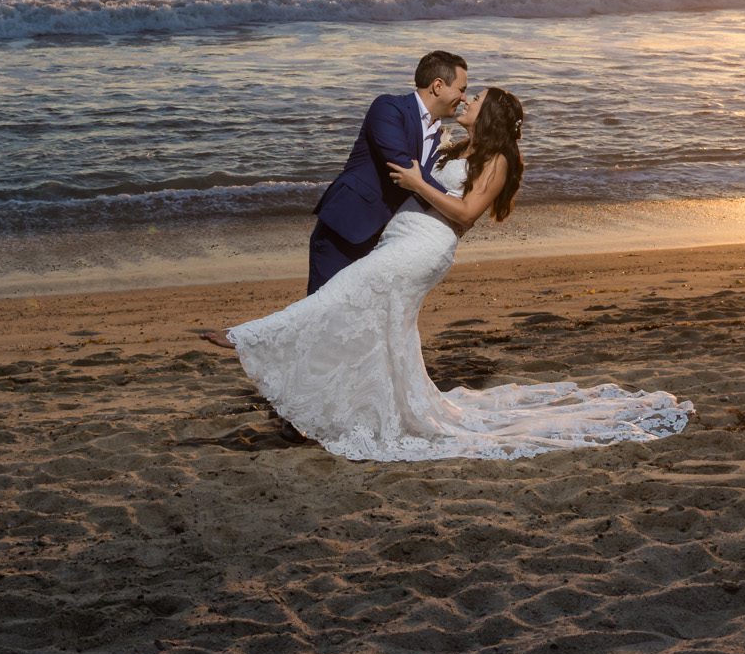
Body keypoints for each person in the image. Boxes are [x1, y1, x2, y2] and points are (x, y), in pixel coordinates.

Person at [197, 85, 694, 462]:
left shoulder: (498, 158)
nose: (468, 99)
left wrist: (416, 181)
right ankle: (357, 405)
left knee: (345, 293)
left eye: (475, 98)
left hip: (424, 247)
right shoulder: (460, 147)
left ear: (491, 114)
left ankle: (246, 336)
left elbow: (464, 213)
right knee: (381, 325)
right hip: (403, 238)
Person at [302, 50, 470, 296]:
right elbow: (401, 164)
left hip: (388, 242)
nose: (464, 98)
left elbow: (421, 178)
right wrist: (453, 204)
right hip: (347, 230)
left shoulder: (438, 134)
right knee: (319, 313)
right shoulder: (388, 108)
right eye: (461, 89)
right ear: (437, 86)